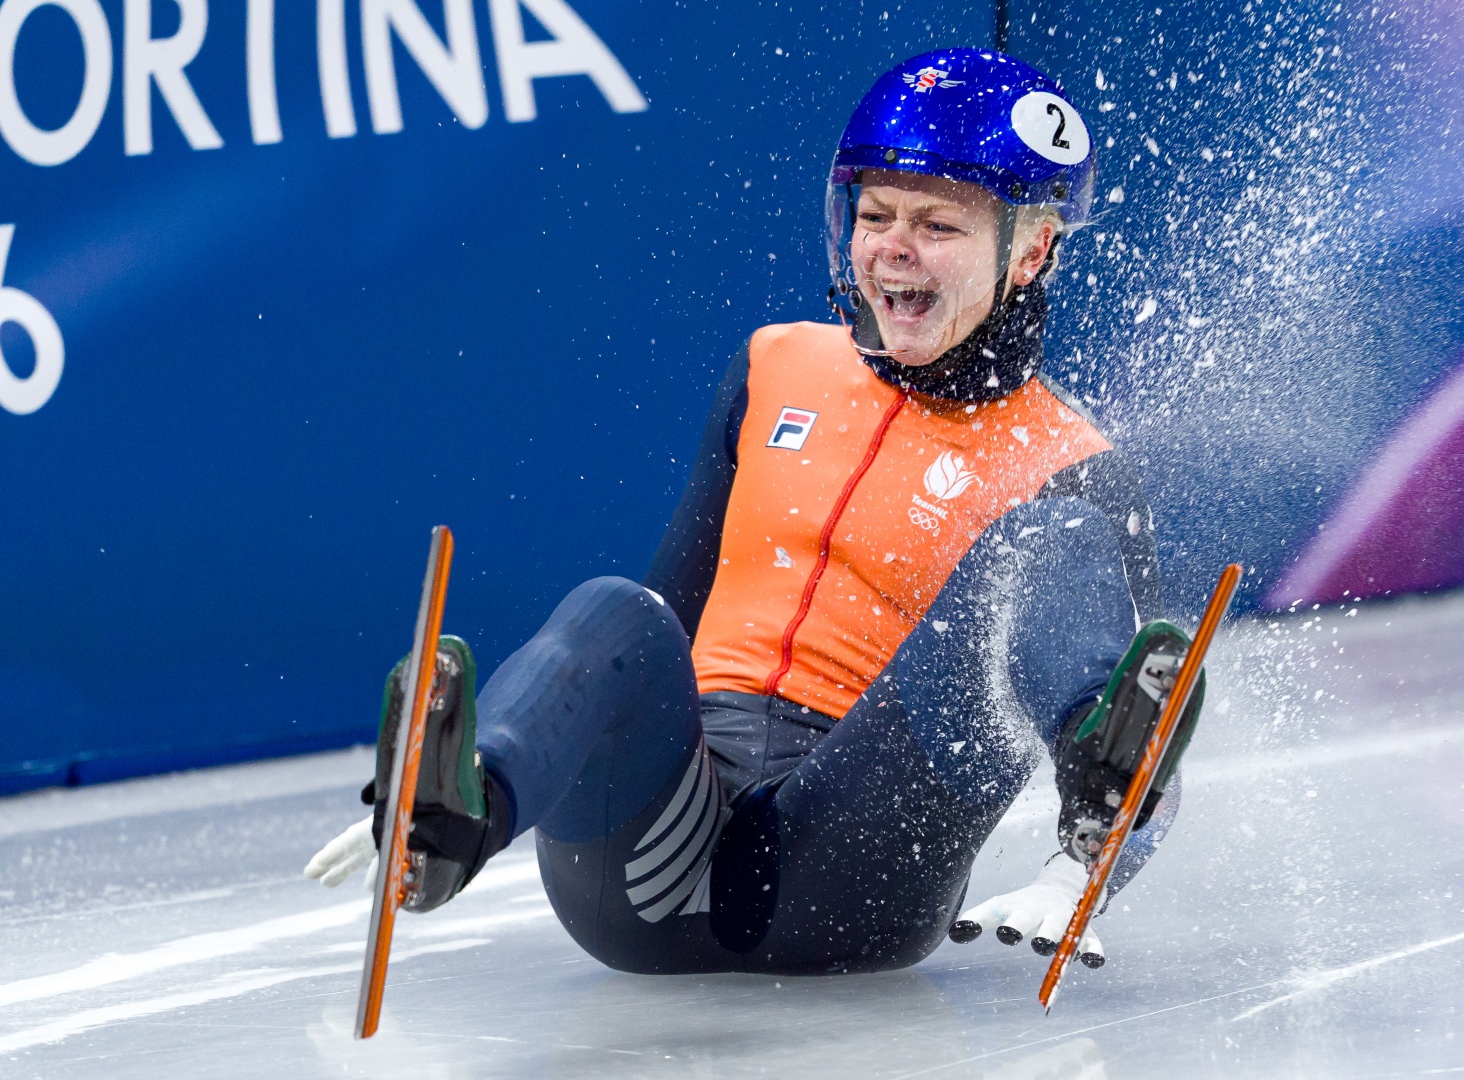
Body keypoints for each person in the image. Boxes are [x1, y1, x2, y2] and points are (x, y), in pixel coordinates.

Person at [304, 48, 1198, 976]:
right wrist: (520, 748)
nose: (893, 245)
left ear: (1034, 252)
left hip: (846, 867)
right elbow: (659, 618)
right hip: (649, 850)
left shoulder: (1070, 468)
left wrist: (1084, 876)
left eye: (937, 224)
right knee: (619, 608)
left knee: (1047, 547)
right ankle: (449, 818)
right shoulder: (775, 364)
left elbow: (1156, 722)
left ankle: (1096, 799)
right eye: (876, 214)